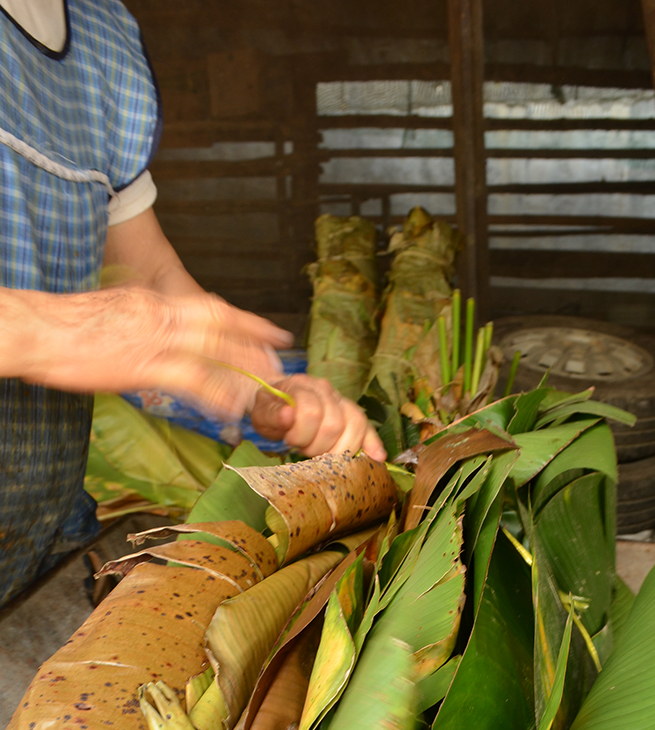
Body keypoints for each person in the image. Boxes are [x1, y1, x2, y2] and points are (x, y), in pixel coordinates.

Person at [0, 0, 384, 609]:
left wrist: (263, 392)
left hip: (37, 544)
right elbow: (95, 323)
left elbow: (147, 276)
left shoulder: (101, 36)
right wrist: (51, 329)